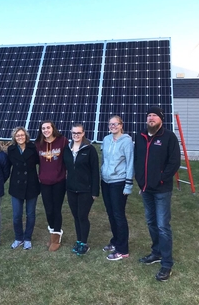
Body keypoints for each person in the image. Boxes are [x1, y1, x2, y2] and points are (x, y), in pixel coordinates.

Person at [134, 106, 181, 282]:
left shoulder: (169, 137)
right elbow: (138, 159)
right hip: (146, 188)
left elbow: (174, 162)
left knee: (162, 225)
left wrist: (161, 179)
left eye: (154, 115)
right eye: (149, 115)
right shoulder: (140, 136)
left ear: (161, 119)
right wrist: (140, 179)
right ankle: (156, 253)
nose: (151, 118)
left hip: (161, 189)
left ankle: (167, 263)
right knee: (151, 222)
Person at [101, 115, 134, 261]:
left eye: (115, 124)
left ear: (121, 125)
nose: (112, 126)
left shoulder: (127, 141)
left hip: (119, 182)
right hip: (106, 181)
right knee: (111, 213)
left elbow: (130, 163)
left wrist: (128, 184)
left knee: (119, 215)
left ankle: (123, 249)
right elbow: (104, 160)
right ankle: (115, 241)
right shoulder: (106, 139)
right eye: (110, 124)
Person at [63, 123, 100, 256]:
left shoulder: (90, 149)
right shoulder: (67, 149)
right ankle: (79, 240)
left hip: (86, 190)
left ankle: (84, 243)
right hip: (71, 189)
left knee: (82, 216)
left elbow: (95, 171)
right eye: (74, 133)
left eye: (78, 133)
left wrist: (95, 191)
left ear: (83, 133)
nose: (76, 135)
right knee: (75, 216)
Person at [35, 120, 68, 251]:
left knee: (56, 209)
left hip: (59, 181)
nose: (46, 130)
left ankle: (56, 237)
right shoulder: (38, 144)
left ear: (53, 128)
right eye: (43, 128)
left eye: (48, 128)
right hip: (44, 181)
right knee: (48, 209)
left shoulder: (63, 141)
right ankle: (52, 231)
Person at [7, 127, 40, 250]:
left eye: (22, 135)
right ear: (14, 138)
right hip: (16, 186)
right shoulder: (11, 150)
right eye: (17, 135)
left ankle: (27, 238)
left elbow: (41, 163)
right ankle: (18, 238)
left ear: (26, 136)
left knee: (30, 214)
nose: (20, 137)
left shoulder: (33, 148)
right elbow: (6, 166)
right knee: (17, 215)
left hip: (31, 185)